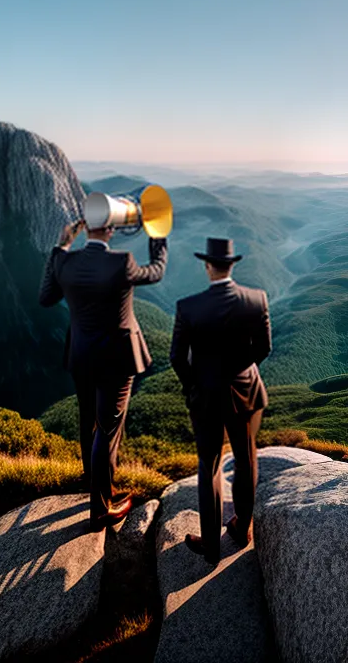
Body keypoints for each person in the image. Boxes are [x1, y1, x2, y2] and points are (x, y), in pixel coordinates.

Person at [39, 218, 167, 530]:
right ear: (110, 229)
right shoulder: (121, 261)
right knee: (108, 429)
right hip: (117, 358)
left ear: (84, 227)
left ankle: (96, 486)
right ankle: (100, 508)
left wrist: (61, 245)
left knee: (89, 422)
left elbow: (46, 297)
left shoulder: (64, 260)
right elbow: (156, 271)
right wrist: (158, 236)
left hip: (81, 355)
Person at [169, 237, 271, 564]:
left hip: (207, 396)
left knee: (209, 465)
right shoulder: (256, 300)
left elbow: (176, 358)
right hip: (245, 392)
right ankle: (242, 528)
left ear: (208, 265)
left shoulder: (188, 307)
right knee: (245, 460)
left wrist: (194, 386)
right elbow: (263, 349)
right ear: (232, 265)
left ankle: (211, 545)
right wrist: (239, 370)